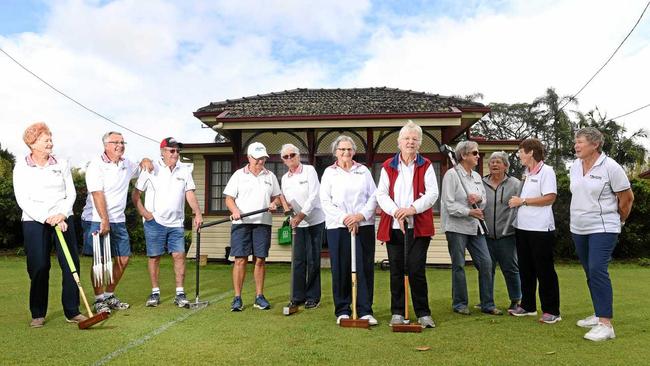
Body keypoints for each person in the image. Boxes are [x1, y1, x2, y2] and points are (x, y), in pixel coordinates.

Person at [13, 122, 87, 327]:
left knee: (70, 264)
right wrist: (47, 217)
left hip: (63, 219)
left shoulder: (61, 163)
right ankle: (38, 313)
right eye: (46, 140)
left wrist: (62, 214)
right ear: (33, 143)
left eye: (51, 139)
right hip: (34, 221)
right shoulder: (21, 166)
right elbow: (23, 199)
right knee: (39, 266)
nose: (50, 143)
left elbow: (70, 192)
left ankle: (72, 311)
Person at [570, 127, 634, 341]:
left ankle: (606, 325)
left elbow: (627, 198)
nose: (576, 145)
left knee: (597, 269)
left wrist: (620, 219)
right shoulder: (574, 167)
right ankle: (598, 313)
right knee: (590, 271)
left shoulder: (611, 167)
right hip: (579, 227)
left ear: (595, 144)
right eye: (575, 141)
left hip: (604, 227)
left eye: (580, 141)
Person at [81, 131, 152, 314]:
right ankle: (99, 300)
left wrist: (145, 159)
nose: (120, 145)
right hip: (96, 219)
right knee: (100, 261)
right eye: (116, 142)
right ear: (106, 145)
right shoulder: (96, 165)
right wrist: (104, 220)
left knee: (123, 258)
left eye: (122, 142)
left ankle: (109, 295)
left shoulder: (126, 164)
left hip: (118, 220)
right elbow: (97, 194)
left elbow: (140, 169)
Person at [376, 121, 439, 328]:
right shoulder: (388, 166)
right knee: (396, 270)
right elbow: (381, 194)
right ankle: (397, 312)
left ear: (419, 143)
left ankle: (423, 313)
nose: (410, 142)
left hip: (418, 227)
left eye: (414, 139)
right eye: (406, 138)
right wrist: (396, 212)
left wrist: (411, 209)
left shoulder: (426, 165)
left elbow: (432, 194)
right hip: (394, 226)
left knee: (416, 269)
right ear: (399, 142)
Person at [132, 137, 203, 308]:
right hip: (154, 222)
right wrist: (145, 213)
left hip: (176, 223)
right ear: (162, 152)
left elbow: (190, 194)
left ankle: (180, 293)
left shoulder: (184, 170)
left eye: (178, 151)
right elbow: (135, 195)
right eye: (172, 150)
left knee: (179, 255)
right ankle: (155, 292)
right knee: (154, 257)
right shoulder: (151, 168)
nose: (175, 154)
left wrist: (198, 213)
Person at [320, 135, 378, 325]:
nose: (346, 153)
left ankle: (365, 310)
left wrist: (359, 216)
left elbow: (373, 197)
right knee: (341, 268)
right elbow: (326, 201)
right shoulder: (329, 173)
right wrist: (346, 218)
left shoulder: (363, 171)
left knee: (364, 267)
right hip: (338, 226)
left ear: (354, 151)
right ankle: (342, 310)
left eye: (349, 149)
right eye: (342, 149)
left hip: (363, 225)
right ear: (335, 152)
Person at [441, 141, 501, 316]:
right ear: (463, 155)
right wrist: (469, 211)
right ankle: (460, 303)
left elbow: (484, 199)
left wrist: (479, 199)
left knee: (486, 263)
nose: (477, 156)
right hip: (456, 227)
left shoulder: (476, 176)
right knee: (458, 265)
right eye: (474, 153)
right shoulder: (452, 175)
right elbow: (448, 205)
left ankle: (487, 304)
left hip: (475, 227)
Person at [224, 142, 281, 311]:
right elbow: (229, 198)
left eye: (263, 158)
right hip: (241, 223)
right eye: (257, 159)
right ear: (249, 157)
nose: (260, 162)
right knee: (240, 260)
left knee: (260, 260)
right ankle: (237, 298)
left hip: (262, 223)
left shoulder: (270, 176)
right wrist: (234, 210)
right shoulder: (238, 175)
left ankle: (259, 297)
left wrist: (274, 203)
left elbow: (277, 197)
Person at [508, 138, 561, 324]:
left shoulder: (547, 171)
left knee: (544, 270)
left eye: (521, 151)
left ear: (531, 152)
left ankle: (552, 310)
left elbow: (549, 198)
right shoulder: (526, 173)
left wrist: (522, 201)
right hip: (522, 227)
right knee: (525, 269)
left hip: (540, 229)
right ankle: (528, 306)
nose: (520, 155)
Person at [280, 143, 326, 309]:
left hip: (314, 221)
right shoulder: (285, 179)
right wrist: (290, 211)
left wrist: (301, 215)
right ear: (283, 160)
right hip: (297, 223)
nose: (289, 158)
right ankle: (297, 296)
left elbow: (314, 196)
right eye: (286, 157)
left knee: (313, 260)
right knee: (298, 260)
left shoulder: (309, 170)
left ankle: (313, 296)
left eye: (292, 155)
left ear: (298, 156)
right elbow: (287, 199)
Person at [482, 151, 522, 313]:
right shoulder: (481, 183)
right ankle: (487, 301)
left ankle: (516, 300)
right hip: (485, 235)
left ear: (506, 165)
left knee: (510, 268)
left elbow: (521, 206)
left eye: (498, 162)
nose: (494, 165)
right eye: (492, 162)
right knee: (486, 269)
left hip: (507, 235)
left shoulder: (515, 184)